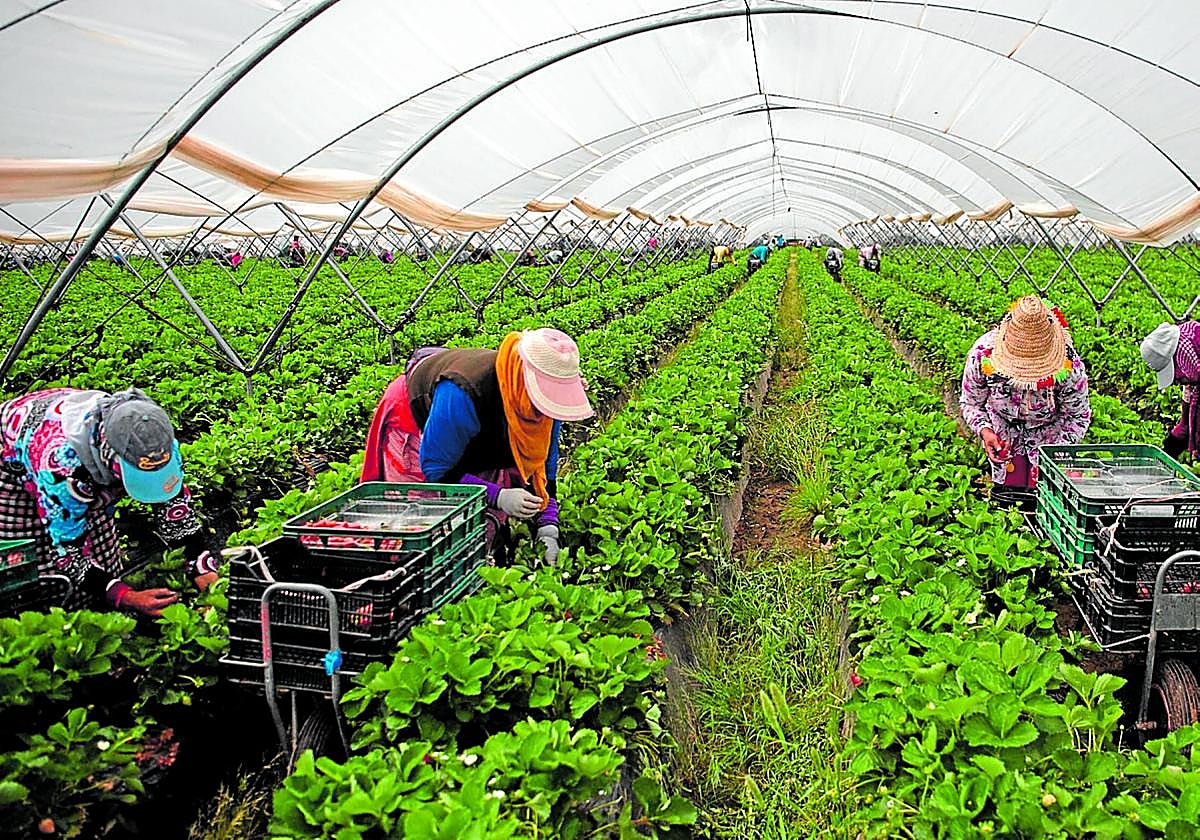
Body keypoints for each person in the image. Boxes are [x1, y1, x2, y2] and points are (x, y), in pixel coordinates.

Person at [360, 329, 593, 565]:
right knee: (424, 519)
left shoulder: (543, 405)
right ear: (528, 386)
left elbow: (545, 464)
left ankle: (484, 562)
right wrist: (497, 495)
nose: (547, 413)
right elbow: (436, 472)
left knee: (484, 519)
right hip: (419, 421)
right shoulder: (464, 392)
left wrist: (548, 524)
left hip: (474, 424)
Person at [0, 388, 219, 616]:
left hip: (75, 451)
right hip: (12, 460)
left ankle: (102, 612)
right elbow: (69, 553)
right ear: (109, 458)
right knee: (38, 565)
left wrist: (202, 567)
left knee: (104, 554)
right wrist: (125, 597)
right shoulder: (61, 466)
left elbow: (175, 510)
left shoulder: (155, 441)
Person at [960, 297, 1091, 491]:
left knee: (1045, 499)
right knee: (1009, 497)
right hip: (1003, 436)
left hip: (1050, 438)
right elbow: (971, 404)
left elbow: (1077, 416)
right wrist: (986, 431)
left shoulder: (1069, 367)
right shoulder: (982, 355)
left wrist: (1054, 455)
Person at [1140, 321, 1200, 460]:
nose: (1176, 381)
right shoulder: (1192, 386)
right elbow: (1185, 426)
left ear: (1182, 359)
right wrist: (1167, 452)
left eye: (1176, 372)